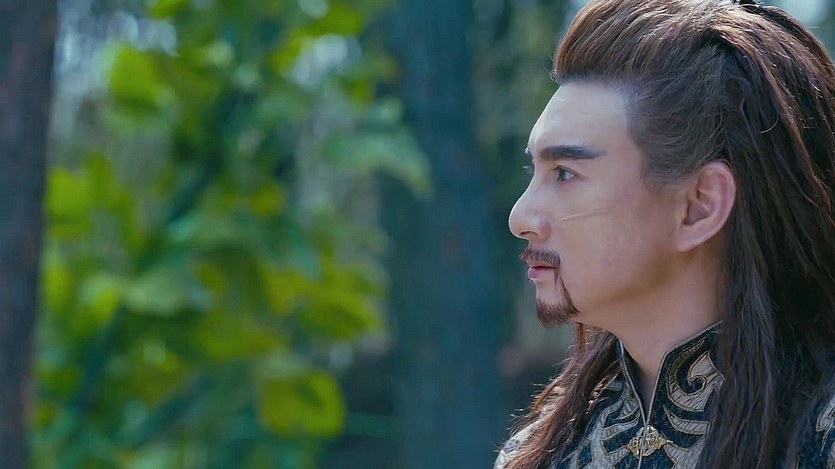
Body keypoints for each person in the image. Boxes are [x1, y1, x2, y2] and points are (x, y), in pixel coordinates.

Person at [497, 0, 835, 467]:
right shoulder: (538, 452)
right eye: (533, 171)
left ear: (699, 205)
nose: (520, 217)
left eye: (565, 173)